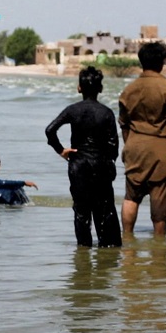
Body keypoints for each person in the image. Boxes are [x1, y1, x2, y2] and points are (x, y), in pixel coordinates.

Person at [116, 41, 166, 237]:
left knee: (131, 196)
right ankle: (159, 246)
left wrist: (130, 143)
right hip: (163, 152)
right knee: (160, 198)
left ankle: (128, 240)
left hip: (135, 147)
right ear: (163, 62)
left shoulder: (129, 90)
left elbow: (123, 123)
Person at [46, 65, 122, 247]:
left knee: (81, 211)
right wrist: (107, 161)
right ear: (101, 89)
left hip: (78, 166)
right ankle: (107, 250)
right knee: (105, 212)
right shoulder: (107, 113)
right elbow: (113, 148)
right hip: (101, 165)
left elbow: (50, 130)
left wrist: (61, 150)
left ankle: (84, 249)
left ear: (79, 88)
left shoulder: (72, 110)